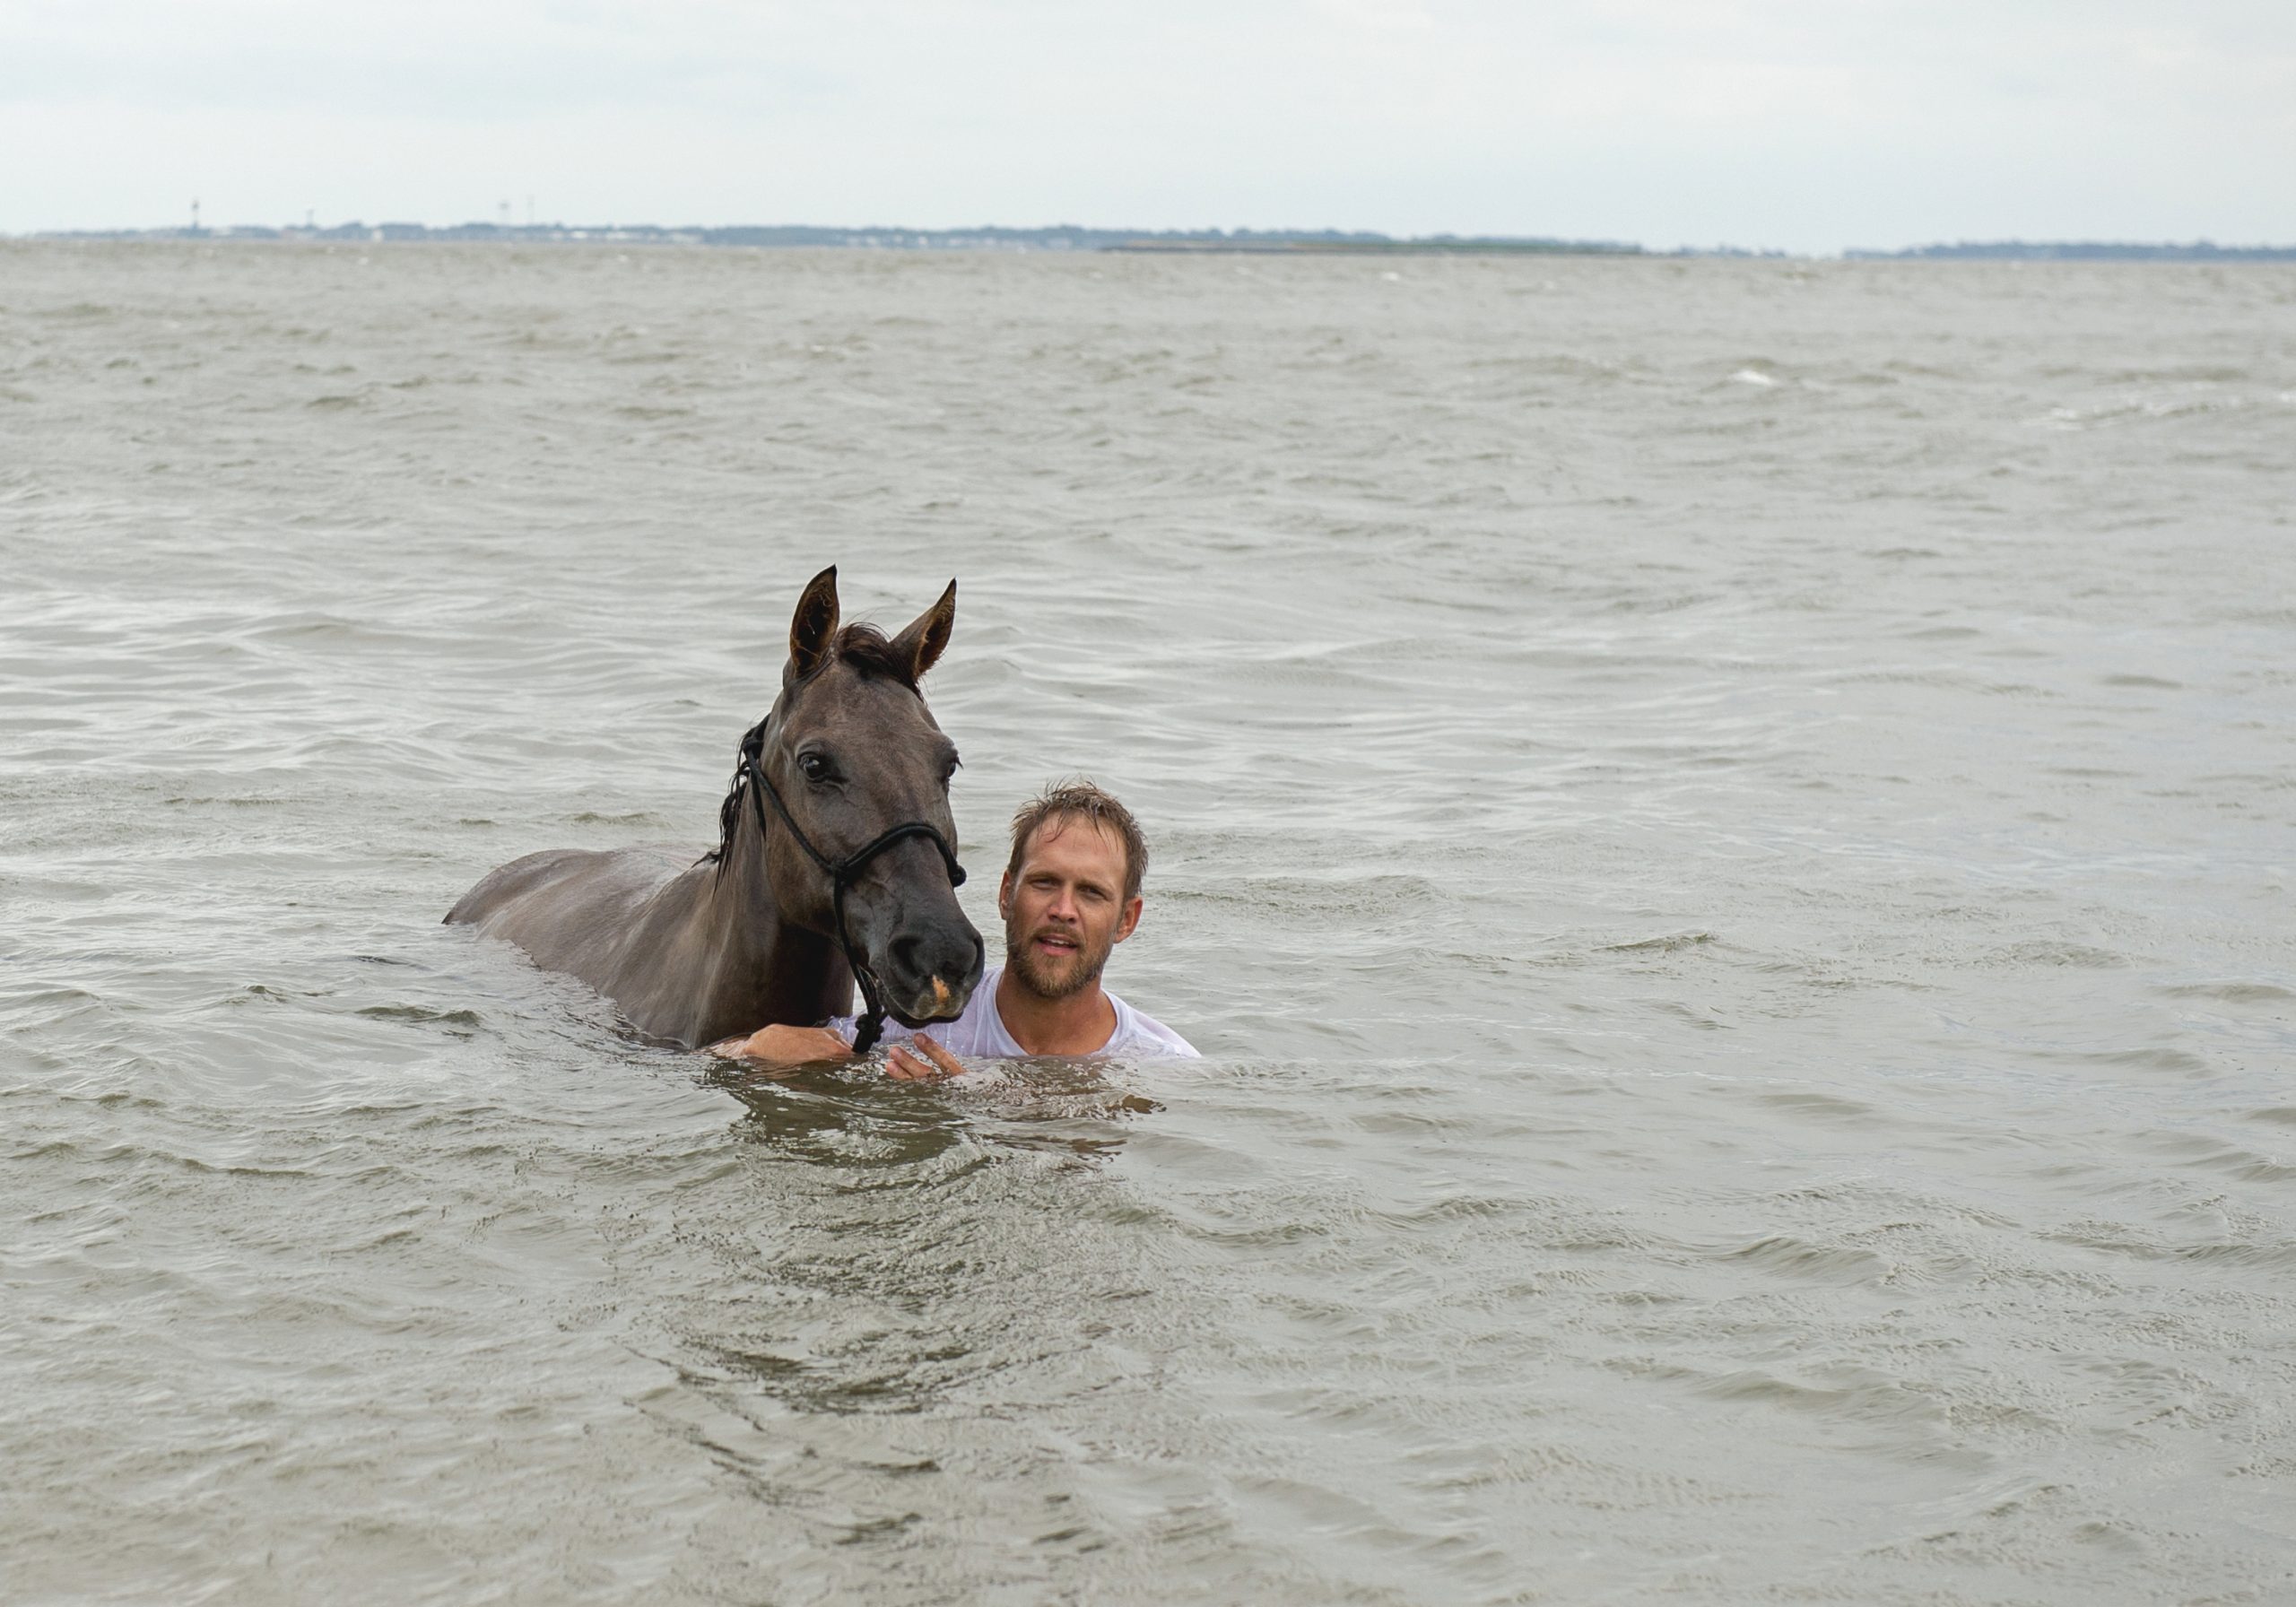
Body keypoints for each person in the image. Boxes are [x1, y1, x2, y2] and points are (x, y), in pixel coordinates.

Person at [714, 781, 1198, 1078]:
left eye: (1092, 893)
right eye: (1044, 883)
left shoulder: (1160, 1067)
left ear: (1127, 920)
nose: (1063, 909)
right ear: (1007, 894)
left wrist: (967, 1108)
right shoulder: (911, 1032)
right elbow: (720, 1060)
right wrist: (754, 1047)